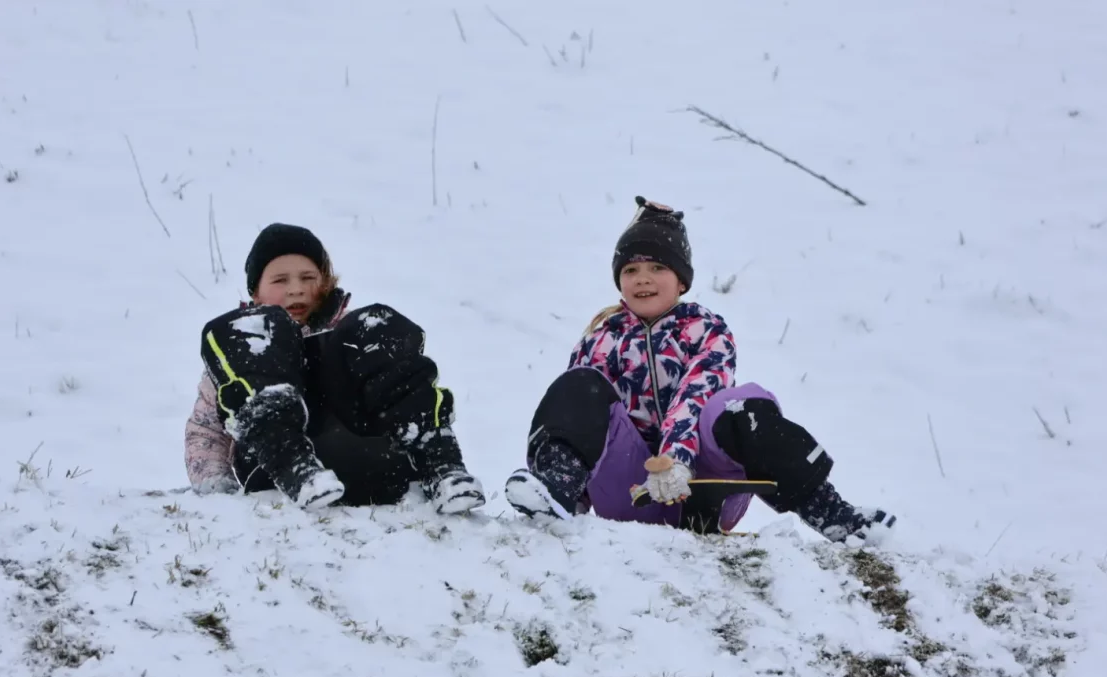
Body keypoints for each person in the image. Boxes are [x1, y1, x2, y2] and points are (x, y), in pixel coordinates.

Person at [504, 196, 895, 543]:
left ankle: (832, 514)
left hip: (706, 487)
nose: (642, 278)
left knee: (740, 405)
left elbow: (697, 395)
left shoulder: (706, 331)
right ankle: (557, 492)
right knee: (580, 386)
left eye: (657, 267)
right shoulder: (601, 338)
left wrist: (675, 460)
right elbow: (581, 424)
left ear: (681, 280)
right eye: (631, 270)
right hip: (628, 490)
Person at [184, 222, 485, 514]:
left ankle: (440, 464)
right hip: (273, 472)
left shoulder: (353, 338)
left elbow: (403, 386)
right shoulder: (241, 357)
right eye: (280, 280)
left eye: (308, 278)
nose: (296, 290)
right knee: (239, 335)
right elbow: (206, 431)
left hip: (374, 457)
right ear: (255, 293)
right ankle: (293, 463)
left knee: (375, 324)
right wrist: (219, 493)